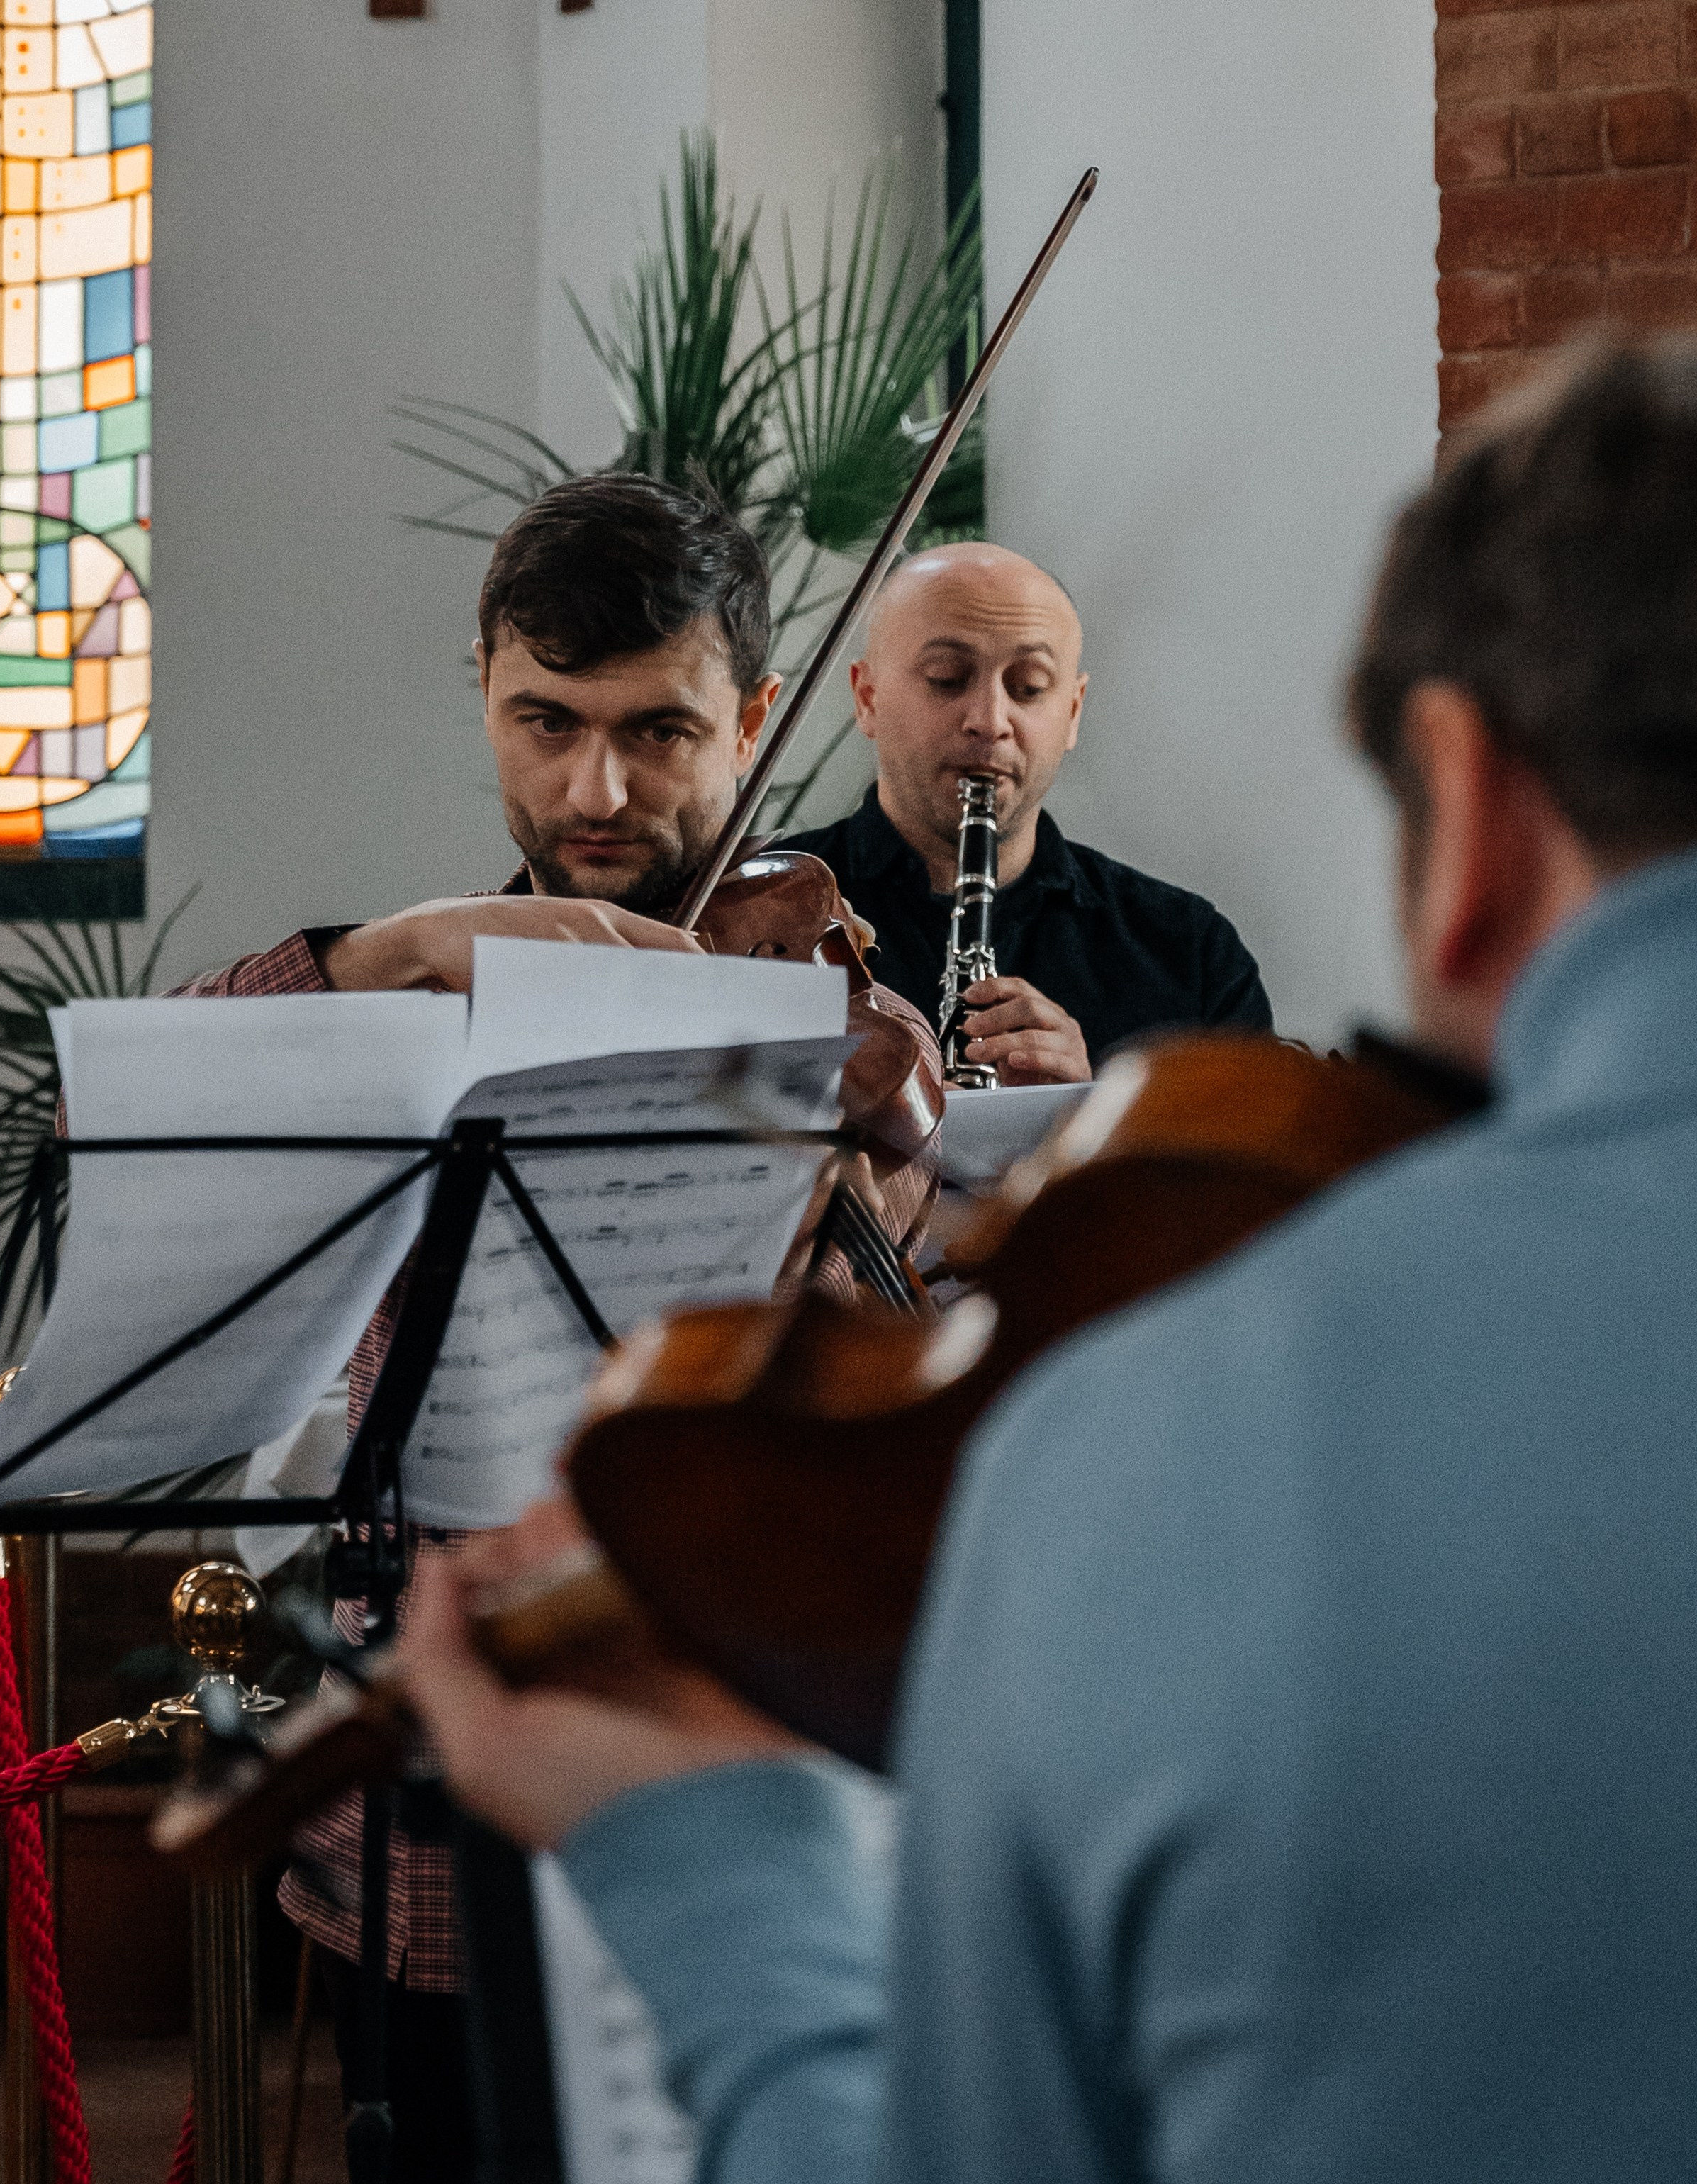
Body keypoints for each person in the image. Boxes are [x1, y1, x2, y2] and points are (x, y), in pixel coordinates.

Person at [402, 335, 1697, 2181]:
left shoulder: (1156, 1433)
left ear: (1465, 806)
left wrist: (703, 1849)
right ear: (865, 698)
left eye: (1025, 683)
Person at [166, 474, 941, 2181]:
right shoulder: (401, 996)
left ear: (754, 716)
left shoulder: (845, 1038)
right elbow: (129, 1107)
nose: (595, 791)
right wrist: (395, 949)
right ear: (485, 695)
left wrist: (869, 1214)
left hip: (752, 1810)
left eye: (658, 731)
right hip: (427, 1841)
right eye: (547, 723)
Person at [780, 541, 1272, 1083]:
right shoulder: (751, 915)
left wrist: (1084, 1115)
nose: (990, 721)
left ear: (1072, 712)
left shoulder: (1193, 955)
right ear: (867, 697)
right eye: (946, 678)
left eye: (1029, 688)